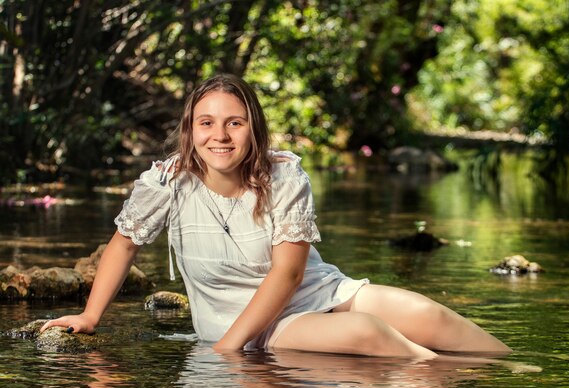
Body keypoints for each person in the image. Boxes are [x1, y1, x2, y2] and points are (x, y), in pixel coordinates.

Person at [41, 74, 510, 358]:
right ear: (190, 130)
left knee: (428, 314)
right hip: (245, 321)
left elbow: (289, 274)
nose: (220, 136)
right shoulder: (166, 181)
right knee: (369, 333)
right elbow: (124, 243)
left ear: (253, 129)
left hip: (313, 290)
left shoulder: (282, 174)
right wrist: (89, 315)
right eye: (206, 123)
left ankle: (514, 371)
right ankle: (436, 374)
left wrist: (226, 353)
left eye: (235, 122)